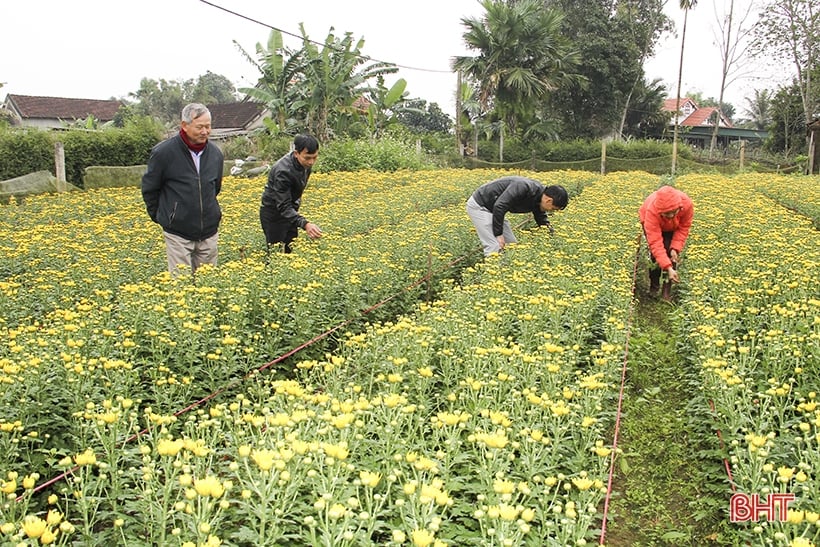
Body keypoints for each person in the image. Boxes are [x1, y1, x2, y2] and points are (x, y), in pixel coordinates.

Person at [141, 103, 224, 276]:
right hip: (178, 233)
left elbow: (215, 188)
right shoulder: (164, 153)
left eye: (208, 126)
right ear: (184, 126)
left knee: (207, 283)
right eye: (199, 127)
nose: (205, 131)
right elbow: (150, 189)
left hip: (208, 231)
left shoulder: (216, 154)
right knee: (181, 287)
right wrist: (165, 217)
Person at [466, 176, 568, 256]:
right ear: (548, 200)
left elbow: (541, 218)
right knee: (494, 245)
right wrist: (499, 234)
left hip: (494, 210)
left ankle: (506, 272)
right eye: (553, 209)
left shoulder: (538, 197)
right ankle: (492, 276)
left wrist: (553, 238)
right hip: (480, 205)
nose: (552, 212)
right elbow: (500, 205)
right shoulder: (524, 187)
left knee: (511, 245)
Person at [259, 134, 323, 253]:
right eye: (307, 158)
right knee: (275, 255)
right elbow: (283, 206)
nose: (311, 162)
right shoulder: (283, 171)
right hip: (274, 215)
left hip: (290, 213)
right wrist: (305, 224)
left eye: (314, 157)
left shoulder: (304, 165)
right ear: (296, 153)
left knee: (291, 252)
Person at [639, 184, 694, 297]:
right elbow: (655, 243)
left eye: (674, 211)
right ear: (660, 211)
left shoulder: (687, 205)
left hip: (673, 227)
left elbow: (683, 228)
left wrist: (675, 248)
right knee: (656, 255)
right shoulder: (652, 212)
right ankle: (654, 287)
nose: (671, 215)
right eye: (667, 213)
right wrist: (667, 266)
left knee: (671, 253)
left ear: (679, 207)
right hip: (651, 223)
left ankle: (666, 292)